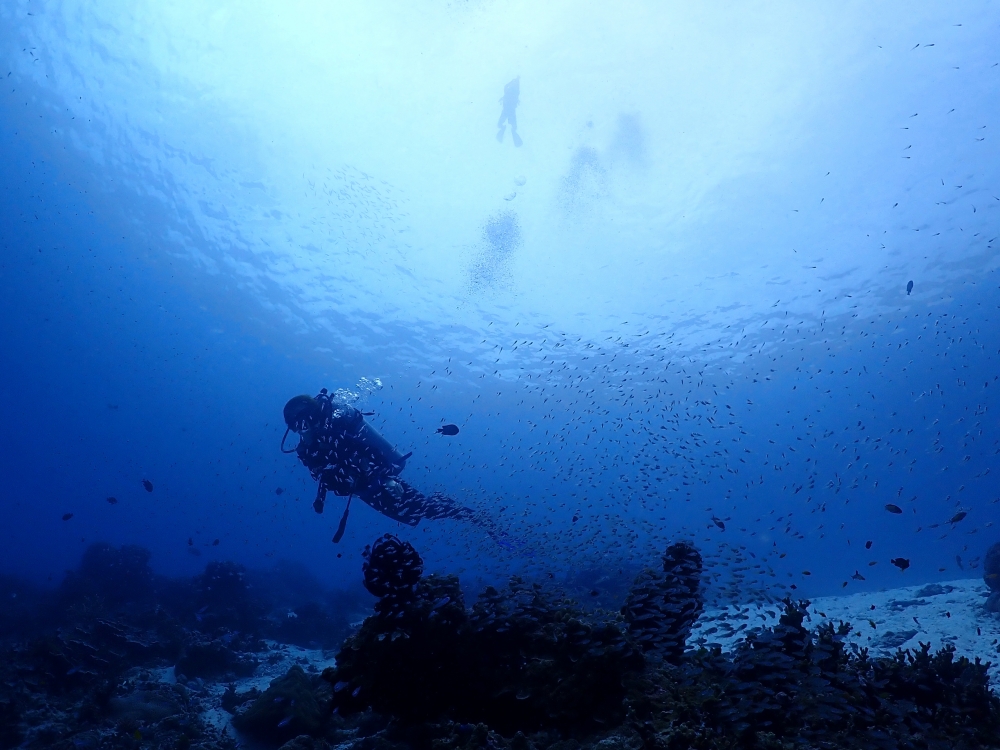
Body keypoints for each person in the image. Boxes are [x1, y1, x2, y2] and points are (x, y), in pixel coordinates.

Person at [282, 389, 499, 544]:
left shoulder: (339, 429)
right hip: (364, 491)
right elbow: (325, 478)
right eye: (296, 428)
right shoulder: (309, 449)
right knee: (415, 516)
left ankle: (477, 518)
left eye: (304, 423)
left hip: (382, 482)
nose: (302, 431)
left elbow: (373, 452)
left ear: (313, 417)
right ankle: (444, 504)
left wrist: (385, 477)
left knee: (426, 510)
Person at [496, 76, 523, 147]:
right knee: (513, 126)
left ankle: (504, 130)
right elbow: (510, 88)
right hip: (510, 110)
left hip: (507, 110)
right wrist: (516, 80)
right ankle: (510, 132)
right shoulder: (515, 91)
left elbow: (506, 87)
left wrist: (513, 81)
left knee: (501, 124)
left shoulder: (510, 90)